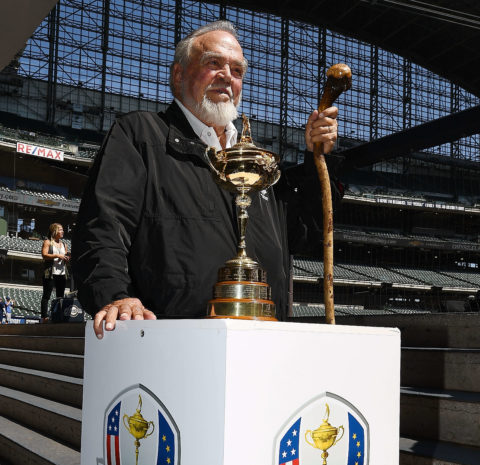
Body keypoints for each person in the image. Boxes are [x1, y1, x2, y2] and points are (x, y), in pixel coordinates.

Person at [72, 20, 341, 339]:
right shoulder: (142, 136)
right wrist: (114, 294)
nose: (227, 76)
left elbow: (304, 234)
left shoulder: (257, 164)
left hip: (267, 343)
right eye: (213, 63)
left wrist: (317, 160)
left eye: (237, 71)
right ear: (179, 75)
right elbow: (103, 224)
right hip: (170, 346)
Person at [41, 223, 69, 322]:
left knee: (60, 296)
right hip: (50, 273)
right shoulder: (47, 242)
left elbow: (65, 256)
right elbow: (44, 255)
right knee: (46, 295)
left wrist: (66, 258)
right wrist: (57, 255)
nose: (63, 231)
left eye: (62, 230)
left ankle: (58, 316)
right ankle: (44, 317)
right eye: (60, 229)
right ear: (54, 231)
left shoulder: (64, 244)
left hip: (61, 273)